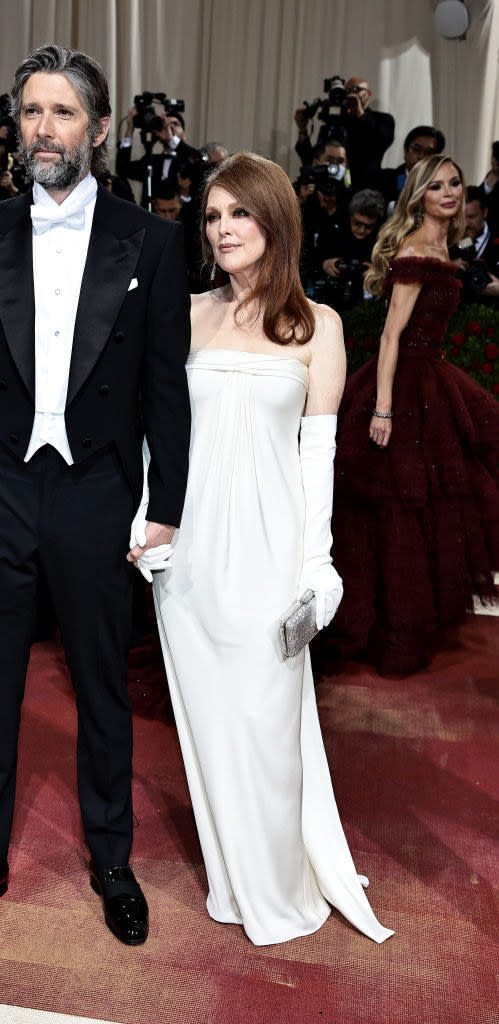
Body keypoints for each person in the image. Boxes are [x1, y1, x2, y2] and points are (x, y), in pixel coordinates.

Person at [0, 43, 191, 952]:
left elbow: (166, 389)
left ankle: (112, 862)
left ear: (100, 129)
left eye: (64, 113)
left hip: (98, 490)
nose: (44, 129)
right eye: (32, 112)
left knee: (99, 689)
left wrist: (164, 506)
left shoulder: (150, 241)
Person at [146, 152, 393, 946]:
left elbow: (315, 455)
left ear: (274, 220)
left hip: (268, 548)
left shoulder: (317, 325)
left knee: (264, 720)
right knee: (209, 723)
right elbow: (159, 436)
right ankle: (235, 879)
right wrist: (147, 520)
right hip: (187, 556)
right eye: (211, 216)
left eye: (238, 214)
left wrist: (315, 566)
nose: (221, 229)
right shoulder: (184, 314)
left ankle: (281, 884)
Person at [331, 156, 499, 676]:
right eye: (435, 187)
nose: (448, 193)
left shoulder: (443, 245)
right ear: (418, 195)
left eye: (454, 185)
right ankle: (386, 625)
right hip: (403, 383)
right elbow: (389, 337)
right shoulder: (417, 250)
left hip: (433, 378)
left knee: (427, 506)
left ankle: (408, 617)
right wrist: (382, 408)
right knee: (397, 507)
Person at [116, 104, 200, 209]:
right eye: (165, 125)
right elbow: (122, 169)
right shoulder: (152, 160)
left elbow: (199, 159)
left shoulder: (191, 160)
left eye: (175, 124)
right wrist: (130, 129)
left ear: (184, 134)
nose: (169, 127)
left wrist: (172, 141)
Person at [377, 125, 445, 210]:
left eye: (428, 152)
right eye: (417, 150)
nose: (421, 157)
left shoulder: (442, 187)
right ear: (405, 151)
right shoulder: (383, 180)